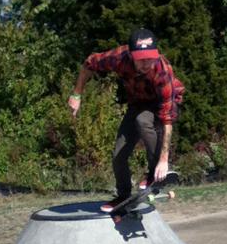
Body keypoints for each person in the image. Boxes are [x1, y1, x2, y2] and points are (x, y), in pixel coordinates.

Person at [68, 28, 185, 212]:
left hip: (163, 105)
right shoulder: (118, 58)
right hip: (137, 104)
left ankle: (154, 173)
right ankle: (123, 196)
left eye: (150, 58)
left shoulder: (162, 71)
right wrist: (76, 94)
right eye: (142, 59)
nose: (147, 63)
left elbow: (167, 120)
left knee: (142, 121)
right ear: (131, 55)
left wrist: (164, 160)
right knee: (118, 156)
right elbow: (88, 64)